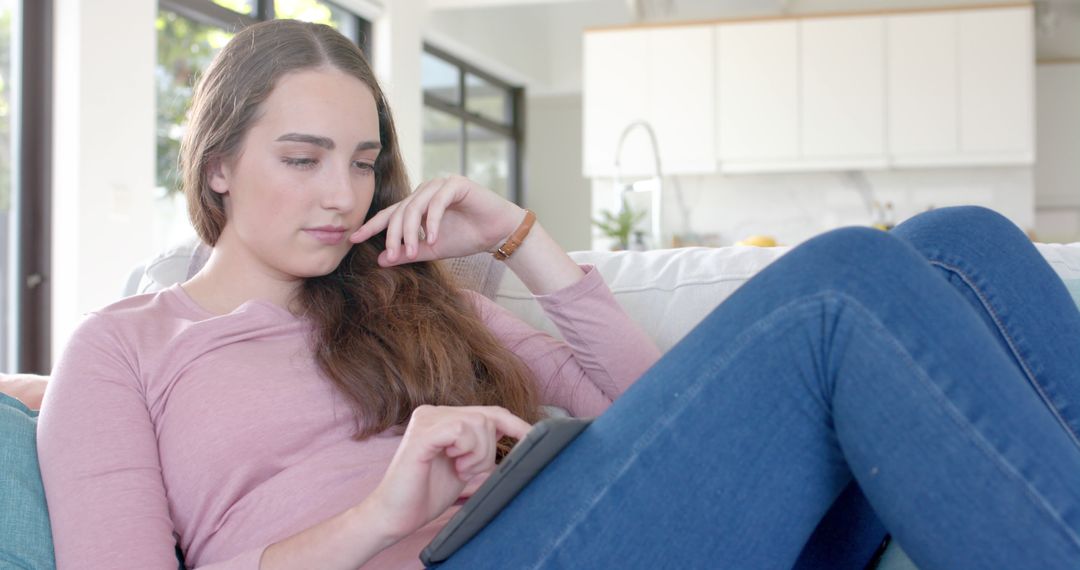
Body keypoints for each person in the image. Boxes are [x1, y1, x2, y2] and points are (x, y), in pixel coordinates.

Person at [35, 19, 1079, 570]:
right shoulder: (123, 349)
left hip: (579, 532)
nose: (340, 194)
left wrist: (518, 241)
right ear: (216, 164)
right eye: (302, 158)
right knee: (842, 281)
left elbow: (649, 417)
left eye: (361, 162)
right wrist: (376, 515)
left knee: (960, 243)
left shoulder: (409, 301)